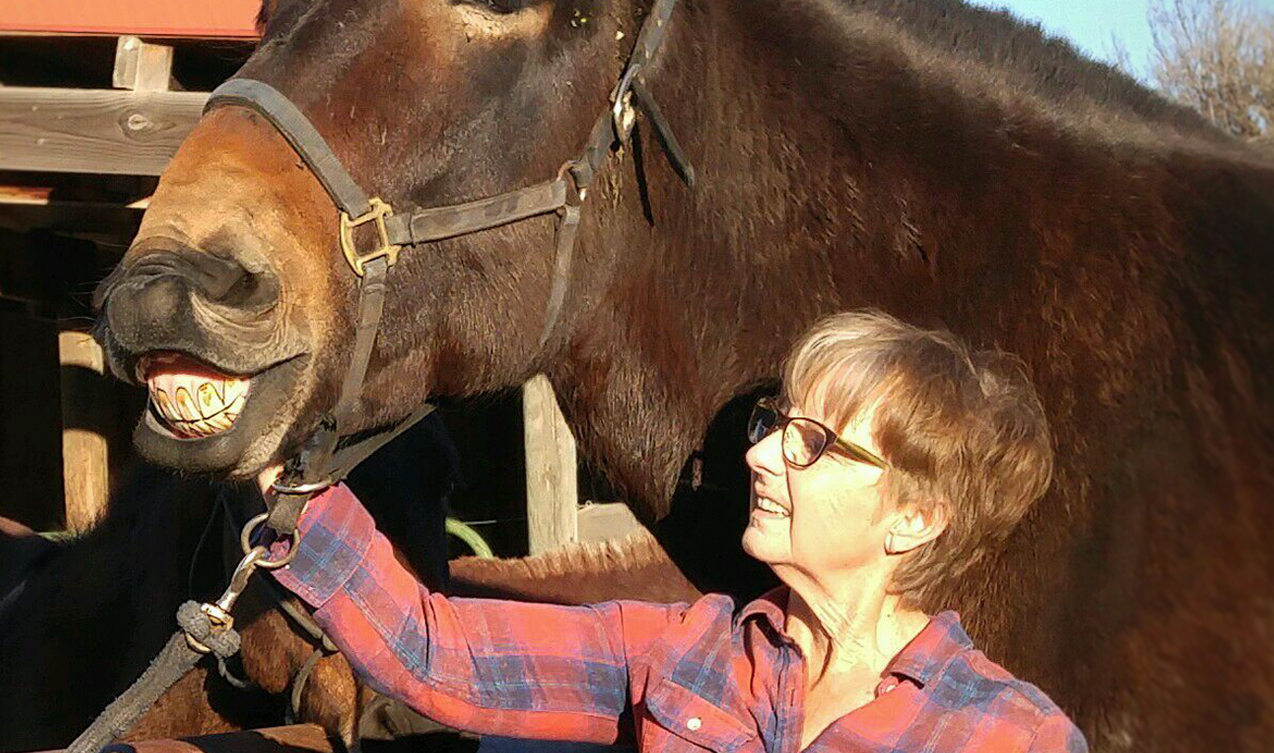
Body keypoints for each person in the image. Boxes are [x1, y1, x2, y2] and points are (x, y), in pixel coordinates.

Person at [260, 310, 1085, 752]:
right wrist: (279, 472)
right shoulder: (687, 651)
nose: (761, 454)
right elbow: (435, 654)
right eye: (776, 423)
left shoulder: (1013, 737)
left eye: (814, 444)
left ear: (914, 518)